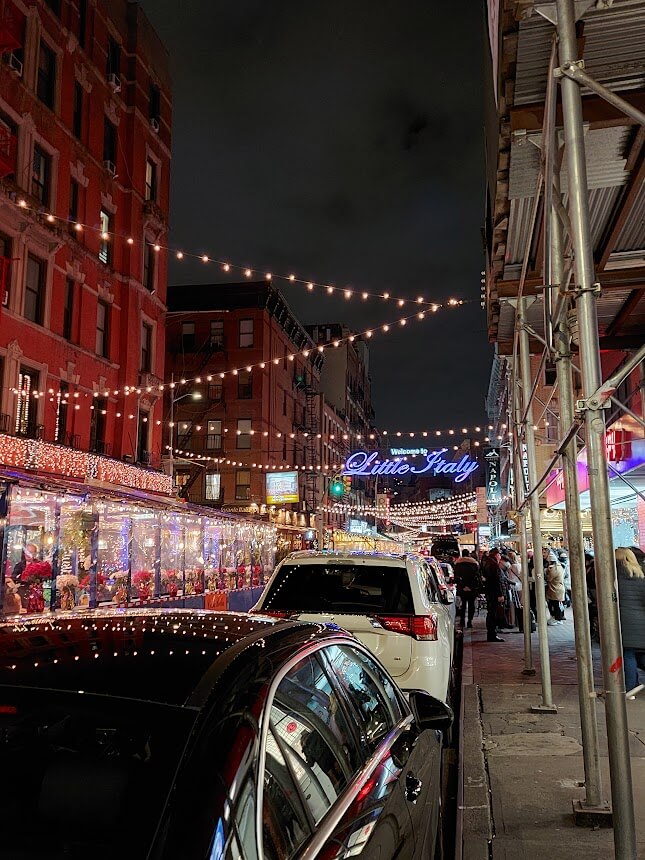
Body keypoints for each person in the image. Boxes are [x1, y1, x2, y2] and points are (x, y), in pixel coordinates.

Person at [615, 547, 645, 696]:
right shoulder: (640, 576)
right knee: (637, 653)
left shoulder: (614, 578)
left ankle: (631, 686)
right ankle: (634, 684)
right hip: (640, 621)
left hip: (623, 622)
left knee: (628, 654)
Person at [482, 547, 505, 642]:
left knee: (491, 612)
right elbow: (496, 580)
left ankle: (491, 633)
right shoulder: (493, 564)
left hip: (489, 591)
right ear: (496, 555)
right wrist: (500, 594)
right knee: (493, 613)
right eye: (499, 555)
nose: (500, 557)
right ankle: (492, 634)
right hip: (494, 593)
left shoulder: (486, 562)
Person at [454, 550, 481, 628]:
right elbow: (476, 577)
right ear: (469, 554)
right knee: (471, 605)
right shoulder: (474, 563)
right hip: (472, 589)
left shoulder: (458, 564)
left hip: (462, 589)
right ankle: (470, 621)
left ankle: (462, 621)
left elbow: (457, 577)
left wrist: (463, 586)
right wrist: (470, 586)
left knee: (462, 605)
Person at [544, 549, 565, 624]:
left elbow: (549, 578)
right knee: (557, 604)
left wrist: (546, 572)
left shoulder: (553, 568)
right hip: (558, 588)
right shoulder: (559, 566)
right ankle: (558, 618)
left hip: (555, 589)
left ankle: (556, 618)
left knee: (554, 604)